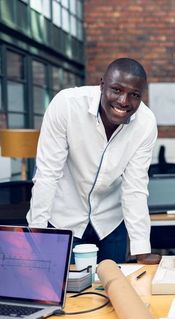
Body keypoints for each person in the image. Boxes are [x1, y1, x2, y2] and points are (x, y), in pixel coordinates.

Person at [27, 58, 160, 265]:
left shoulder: (146, 123)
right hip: (64, 219)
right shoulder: (67, 105)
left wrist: (141, 250)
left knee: (113, 289)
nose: (124, 101)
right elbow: (47, 174)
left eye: (134, 95)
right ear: (102, 85)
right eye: (116, 90)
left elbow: (135, 187)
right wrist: (36, 232)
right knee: (64, 292)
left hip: (110, 222)